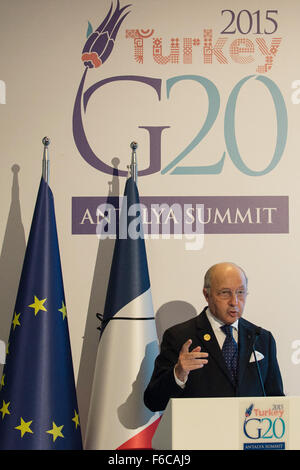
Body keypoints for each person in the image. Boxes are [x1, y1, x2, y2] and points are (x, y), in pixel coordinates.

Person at [144, 262, 284, 412]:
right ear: (207, 295)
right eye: (225, 293)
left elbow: (276, 400)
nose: (234, 302)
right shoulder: (180, 337)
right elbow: (154, 401)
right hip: (201, 432)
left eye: (240, 292)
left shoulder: (262, 338)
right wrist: (178, 374)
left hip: (249, 432)